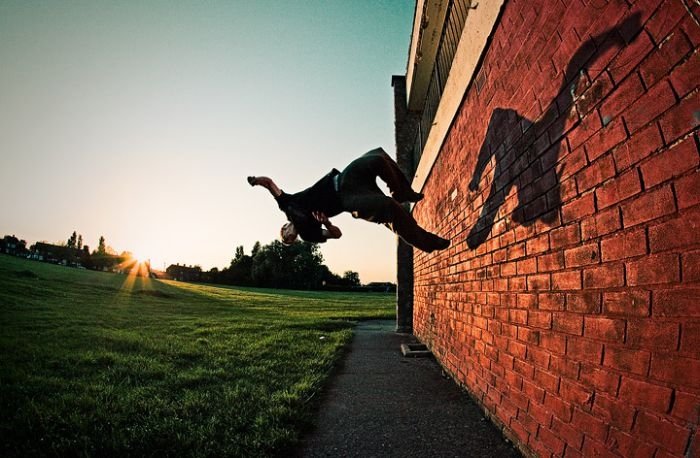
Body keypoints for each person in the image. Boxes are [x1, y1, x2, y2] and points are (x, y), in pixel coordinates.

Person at [248, 147, 450, 253]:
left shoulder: (287, 205)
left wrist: (256, 180)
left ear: (284, 228)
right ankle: (427, 242)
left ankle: (402, 191)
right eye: (292, 241)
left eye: (288, 237)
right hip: (347, 199)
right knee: (388, 208)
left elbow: (270, 184)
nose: (292, 238)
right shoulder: (309, 234)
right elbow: (336, 235)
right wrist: (327, 223)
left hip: (344, 178)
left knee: (376, 157)